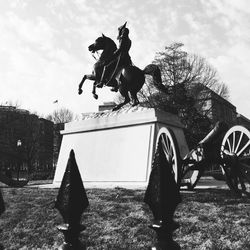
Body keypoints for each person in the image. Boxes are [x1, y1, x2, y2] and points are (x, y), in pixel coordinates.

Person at [98, 22, 132, 91]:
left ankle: (101, 83)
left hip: (121, 58)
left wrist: (112, 56)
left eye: (122, 32)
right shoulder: (129, 40)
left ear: (123, 32)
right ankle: (116, 85)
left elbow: (120, 49)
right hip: (127, 59)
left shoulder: (122, 38)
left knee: (106, 67)